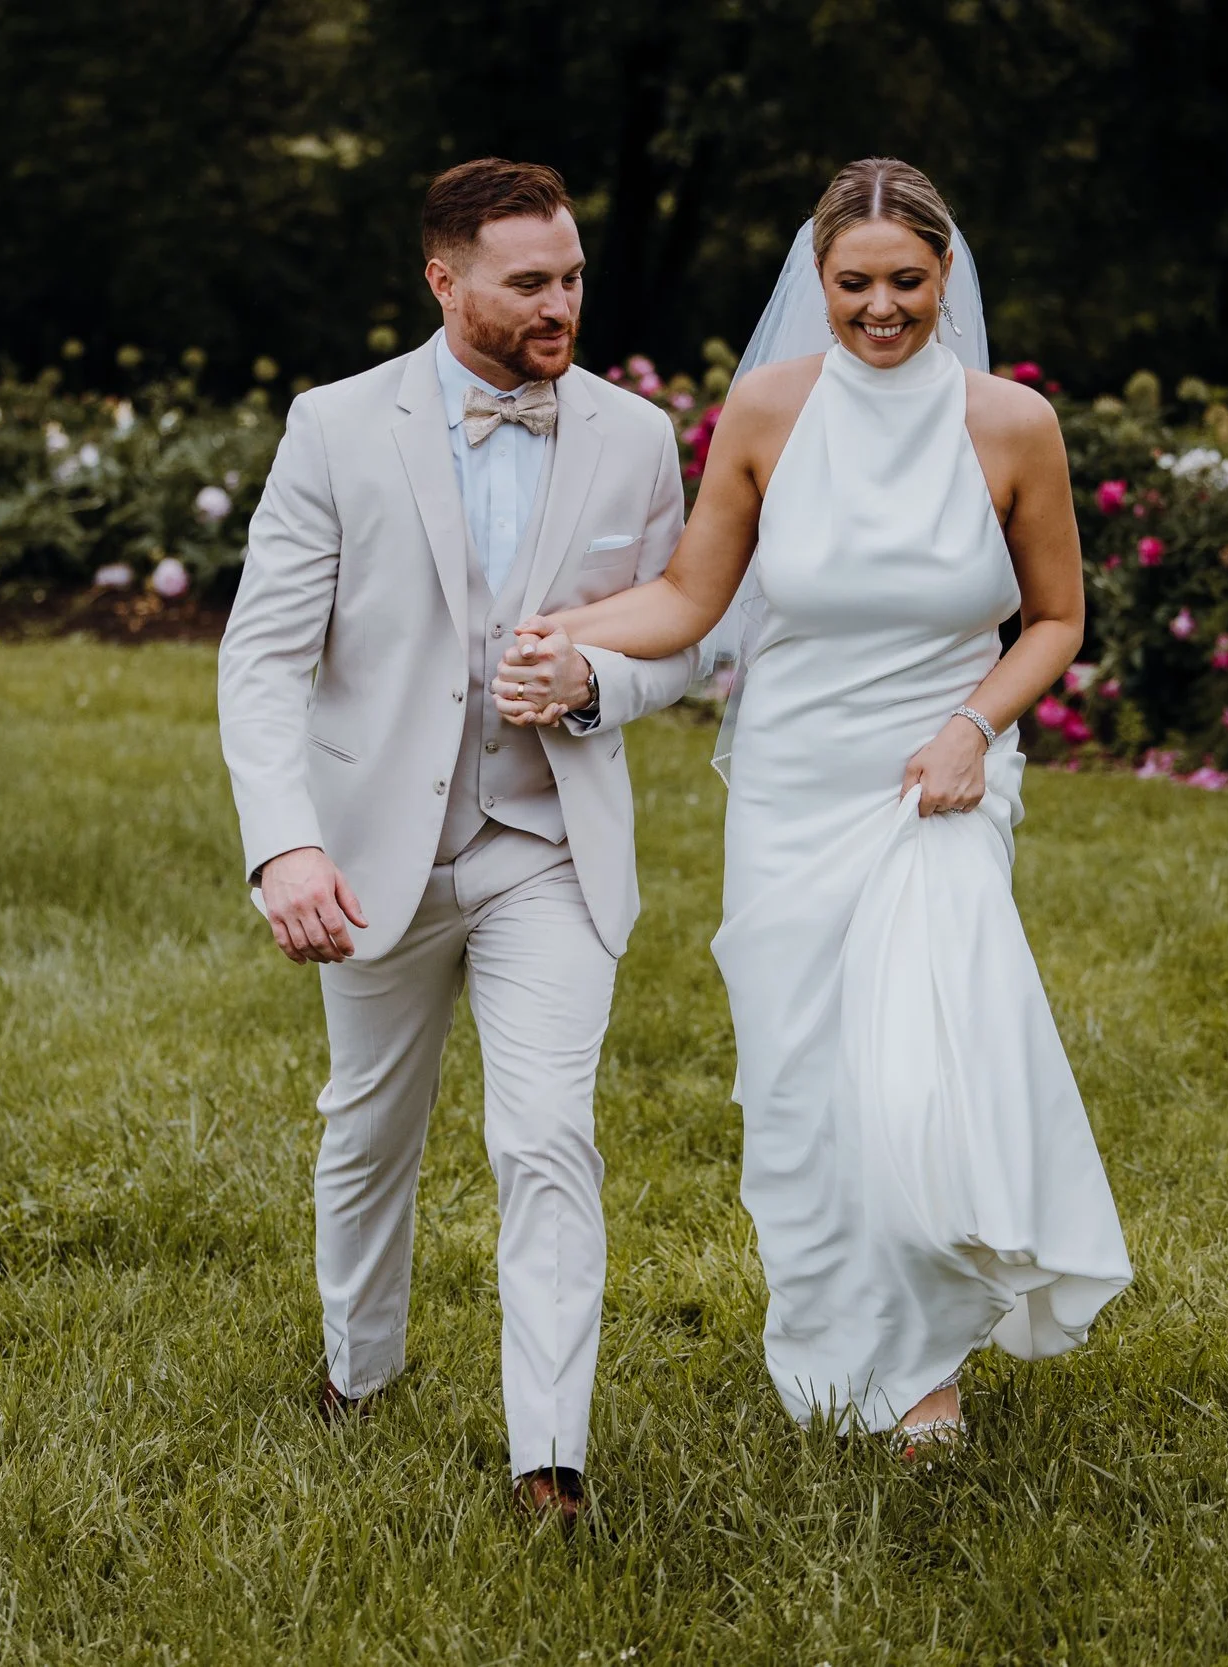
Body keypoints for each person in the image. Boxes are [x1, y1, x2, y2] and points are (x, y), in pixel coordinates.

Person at [493, 158, 1131, 1452]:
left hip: (936, 786)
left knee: (921, 1078)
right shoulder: (771, 409)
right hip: (789, 786)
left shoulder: (1011, 424)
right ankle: (841, 1344)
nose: (881, 308)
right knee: (801, 1088)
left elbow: (1057, 617)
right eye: (855, 284)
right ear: (819, 282)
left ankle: (929, 1364)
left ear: (947, 276)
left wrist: (972, 729)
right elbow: (693, 598)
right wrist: (556, 628)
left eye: (907, 282)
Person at [217, 158, 698, 1523]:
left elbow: (683, 632)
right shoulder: (334, 426)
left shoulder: (633, 437)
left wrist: (603, 683)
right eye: (529, 282)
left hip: (547, 838)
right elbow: (260, 660)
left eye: (574, 277)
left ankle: (550, 1456)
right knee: (370, 1126)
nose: (562, 304)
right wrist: (284, 846)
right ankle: (357, 1370)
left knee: (547, 1135)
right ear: (445, 281)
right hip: (373, 846)